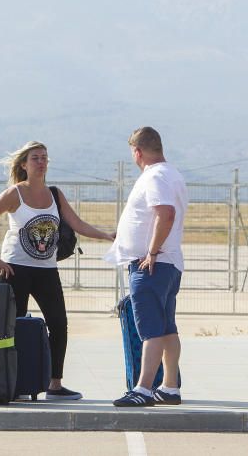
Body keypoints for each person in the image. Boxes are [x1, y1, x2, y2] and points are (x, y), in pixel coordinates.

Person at [0, 141, 115, 401]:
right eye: (35, 158)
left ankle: (55, 384)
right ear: (24, 164)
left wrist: (107, 235)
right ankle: (14, 383)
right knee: (12, 326)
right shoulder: (14, 193)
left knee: (59, 323)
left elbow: (78, 224)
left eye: (44, 158)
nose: (41, 162)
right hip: (15, 268)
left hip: (46, 270)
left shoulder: (55, 194)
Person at [106, 127, 187, 407]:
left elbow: (165, 213)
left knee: (150, 329)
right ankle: (170, 386)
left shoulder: (155, 176)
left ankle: (143, 388)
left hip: (153, 264)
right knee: (166, 327)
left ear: (137, 152)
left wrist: (151, 252)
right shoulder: (171, 173)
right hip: (167, 263)